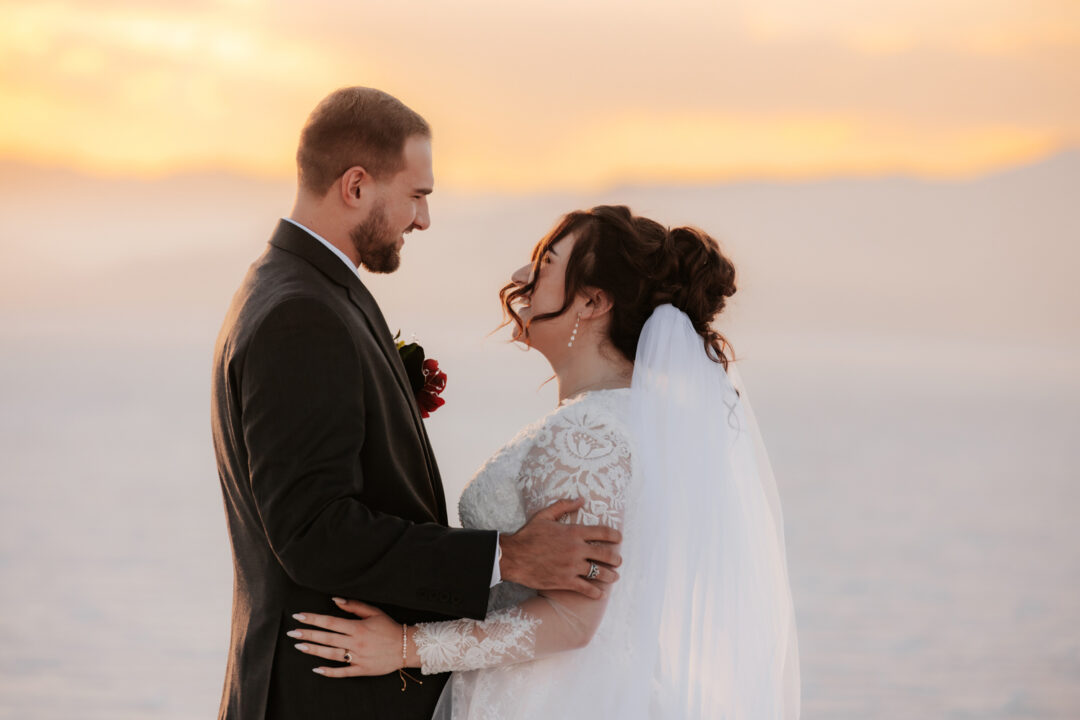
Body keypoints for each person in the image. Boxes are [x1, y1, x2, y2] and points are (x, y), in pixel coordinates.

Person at [289, 205, 801, 718]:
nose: (519, 278)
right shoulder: (622, 421)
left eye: (546, 264)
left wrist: (405, 646)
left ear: (592, 302)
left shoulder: (588, 434)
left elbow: (573, 619)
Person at [210, 87, 622, 720]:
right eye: (417, 195)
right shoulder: (301, 314)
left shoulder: (306, 290)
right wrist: (507, 556)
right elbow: (314, 531)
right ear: (355, 187)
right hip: (322, 695)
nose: (423, 220)